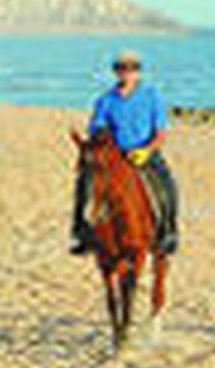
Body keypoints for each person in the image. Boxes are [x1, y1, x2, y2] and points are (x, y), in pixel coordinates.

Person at [72, 49, 179, 256]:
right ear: (115, 72)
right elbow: (98, 130)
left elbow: (160, 133)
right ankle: (81, 232)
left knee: (168, 185)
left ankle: (168, 232)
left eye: (131, 68)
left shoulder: (152, 96)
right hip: (115, 156)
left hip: (145, 154)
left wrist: (146, 151)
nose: (127, 73)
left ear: (138, 71)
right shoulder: (106, 100)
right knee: (84, 183)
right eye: (122, 68)